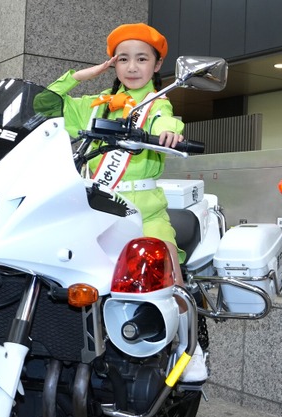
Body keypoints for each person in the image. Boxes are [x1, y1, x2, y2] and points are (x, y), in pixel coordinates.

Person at [47, 22, 207, 382]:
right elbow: (44, 104)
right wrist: (77, 76)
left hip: (144, 210)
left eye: (141, 59)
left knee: (172, 278)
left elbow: (169, 121)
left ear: (155, 66)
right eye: (123, 59)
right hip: (95, 209)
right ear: (113, 66)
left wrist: (170, 132)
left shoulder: (157, 104)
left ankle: (190, 350)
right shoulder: (96, 106)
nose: (132, 67)